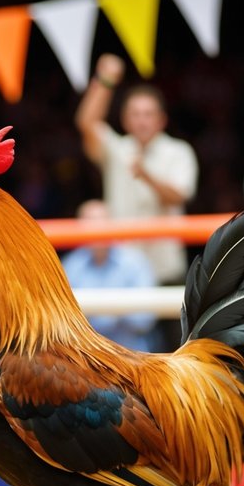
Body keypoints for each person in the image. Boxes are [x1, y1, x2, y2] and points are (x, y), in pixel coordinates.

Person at [76, 53, 198, 349]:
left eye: (148, 114)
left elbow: (181, 194)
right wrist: (105, 79)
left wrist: (146, 176)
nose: (142, 120)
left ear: (162, 119)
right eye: (135, 114)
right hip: (124, 274)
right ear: (125, 119)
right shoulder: (119, 149)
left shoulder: (178, 151)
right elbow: (87, 122)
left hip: (165, 271)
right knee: (124, 359)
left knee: (175, 356)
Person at [61, 200, 160, 352]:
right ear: (79, 229)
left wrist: (99, 313)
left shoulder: (135, 262)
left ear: (112, 224)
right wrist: (120, 309)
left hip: (133, 356)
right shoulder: (71, 266)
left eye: (101, 223)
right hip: (86, 358)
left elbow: (145, 320)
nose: (97, 230)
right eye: (90, 224)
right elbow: (64, 323)